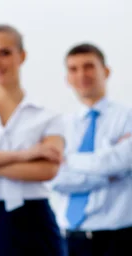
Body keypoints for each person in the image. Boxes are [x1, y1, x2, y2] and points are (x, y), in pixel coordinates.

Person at [0, 24, 66, 256]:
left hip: (33, 221)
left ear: (22, 55)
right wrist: (25, 155)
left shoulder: (48, 116)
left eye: (5, 53)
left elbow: (46, 169)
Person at [51, 43, 132, 256]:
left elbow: (121, 162)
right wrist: (108, 175)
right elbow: (53, 177)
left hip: (118, 238)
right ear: (67, 78)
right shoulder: (59, 126)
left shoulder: (127, 118)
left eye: (88, 66)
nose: (81, 74)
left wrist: (68, 160)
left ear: (105, 71)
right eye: (73, 69)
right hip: (70, 238)